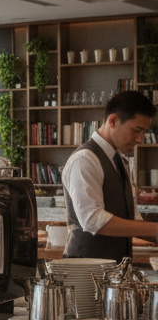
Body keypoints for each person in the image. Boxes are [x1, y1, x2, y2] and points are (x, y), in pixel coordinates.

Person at [62, 90, 158, 260]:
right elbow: (92, 219)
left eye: (143, 132)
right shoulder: (85, 159)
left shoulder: (120, 162)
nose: (140, 139)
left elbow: (132, 218)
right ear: (113, 120)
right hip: (84, 272)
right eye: (136, 130)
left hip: (113, 272)